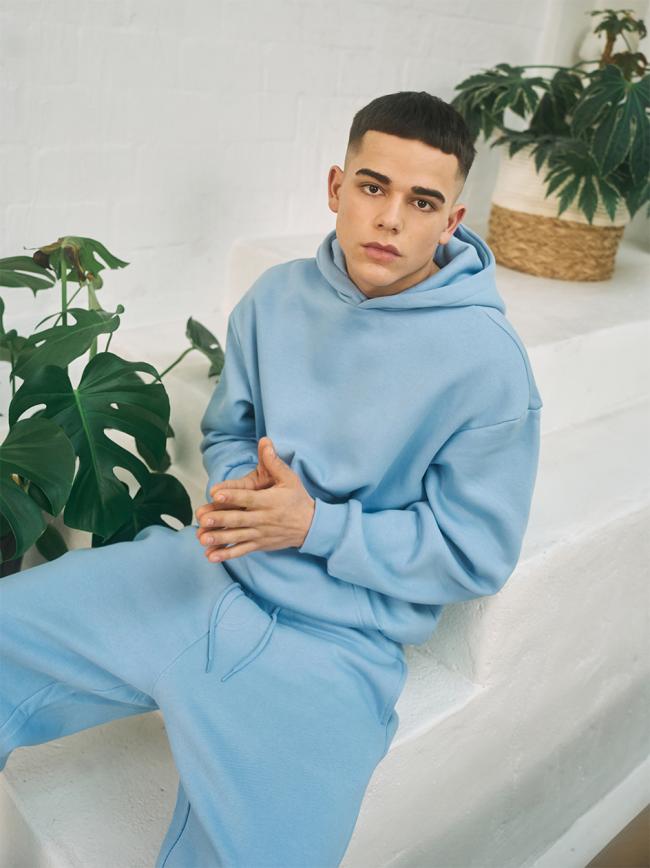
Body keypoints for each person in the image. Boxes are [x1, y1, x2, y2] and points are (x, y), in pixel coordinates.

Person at [0, 91, 543, 867]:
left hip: (332, 644)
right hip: (203, 572)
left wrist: (313, 524)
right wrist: (244, 498)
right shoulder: (275, 299)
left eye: (422, 202)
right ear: (336, 187)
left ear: (452, 221)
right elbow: (229, 429)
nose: (391, 219)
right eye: (373, 186)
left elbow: (476, 552)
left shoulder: (488, 366)